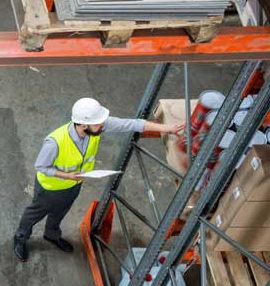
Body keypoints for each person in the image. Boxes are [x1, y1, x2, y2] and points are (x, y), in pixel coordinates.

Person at [14, 97, 184, 262]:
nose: (102, 125)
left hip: (74, 185)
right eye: (98, 123)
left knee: (60, 212)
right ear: (83, 124)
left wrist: (168, 128)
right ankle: (20, 238)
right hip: (50, 188)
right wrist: (67, 175)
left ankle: (51, 235)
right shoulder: (55, 142)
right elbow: (41, 167)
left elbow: (133, 124)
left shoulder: (95, 126)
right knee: (33, 214)